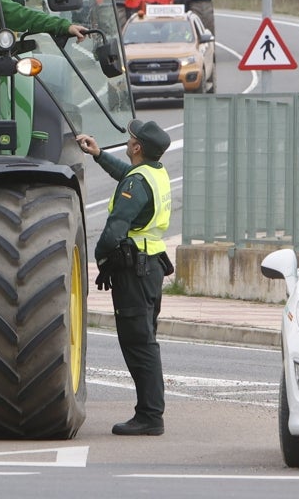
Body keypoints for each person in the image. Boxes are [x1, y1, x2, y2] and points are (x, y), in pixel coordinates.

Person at [77, 119, 174, 436]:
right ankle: (150, 413)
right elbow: (128, 177)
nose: (129, 140)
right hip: (152, 267)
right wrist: (99, 154)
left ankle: (150, 416)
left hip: (135, 270)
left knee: (139, 343)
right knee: (146, 340)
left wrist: (101, 259)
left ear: (136, 147)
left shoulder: (137, 183)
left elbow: (115, 228)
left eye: (131, 138)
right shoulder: (153, 173)